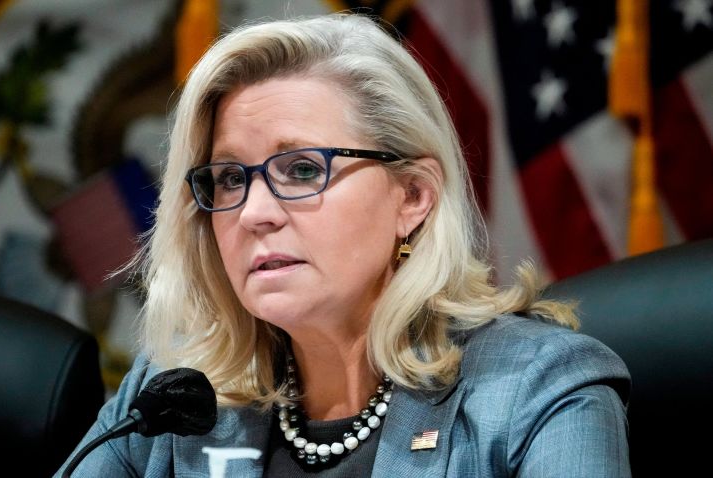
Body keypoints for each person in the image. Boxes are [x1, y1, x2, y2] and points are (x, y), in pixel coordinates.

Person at [57, 13, 630, 477]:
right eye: (230, 178)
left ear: (412, 196)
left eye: (303, 170)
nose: (254, 213)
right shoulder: (176, 397)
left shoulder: (537, 389)